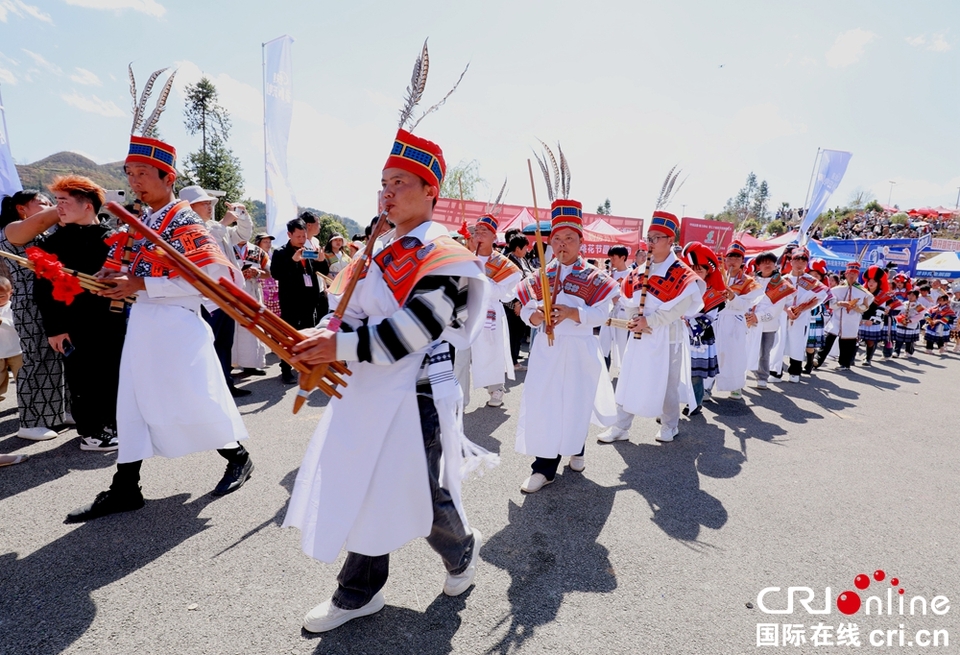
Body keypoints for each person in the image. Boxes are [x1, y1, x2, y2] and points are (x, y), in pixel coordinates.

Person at [282, 121, 489, 632]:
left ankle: (460, 549)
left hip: (417, 389)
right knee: (364, 482)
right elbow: (347, 310)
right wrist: (321, 333)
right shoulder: (374, 247)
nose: (387, 192)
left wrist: (340, 345)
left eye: (400, 182)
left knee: (419, 489)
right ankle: (358, 592)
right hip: (367, 385)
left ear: (430, 191)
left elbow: (415, 331)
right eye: (384, 182)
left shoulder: (446, 255)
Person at [65, 129, 254, 523]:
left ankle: (238, 456)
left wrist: (141, 284)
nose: (134, 182)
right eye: (130, 173)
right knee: (132, 404)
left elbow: (212, 279)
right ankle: (125, 487)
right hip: (144, 325)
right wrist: (109, 277)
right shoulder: (140, 222)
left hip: (178, 328)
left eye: (143, 174)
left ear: (169, 178)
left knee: (192, 400)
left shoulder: (184, 221)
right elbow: (125, 265)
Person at [515, 198, 618, 490]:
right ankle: (543, 469)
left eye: (569, 238)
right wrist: (533, 317)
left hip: (579, 349)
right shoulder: (541, 276)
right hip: (547, 350)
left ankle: (577, 446)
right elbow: (524, 309)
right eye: (557, 239)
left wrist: (575, 313)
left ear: (581, 241)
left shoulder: (596, 277)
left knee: (575, 403)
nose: (562, 244)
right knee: (545, 404)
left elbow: (602, 314)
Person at [33, 175, 126, 452]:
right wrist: (55, 328)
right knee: (82, 376)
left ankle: (113, 424)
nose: (58, 207)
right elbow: (43, 291)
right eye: (57, 200)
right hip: (72, 323)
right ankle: (91, 432)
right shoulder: (52, 244)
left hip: (112, 319)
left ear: (88, 205)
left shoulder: (114, 238)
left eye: (64, 201)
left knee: (113, 373)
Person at [597, 212, 704, 444]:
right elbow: (627, 300)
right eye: (649, 237)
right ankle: (621, 426)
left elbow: (680, 307)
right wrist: (635, 317)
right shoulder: (639, 271)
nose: (651, 242)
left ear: (670, 240)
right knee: (629, 377)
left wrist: (651, 321)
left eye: (656, 238)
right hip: (640, 334)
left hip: (668, 337)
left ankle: (669, 425)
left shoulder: (683, 273)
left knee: (668, 384)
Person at [0, 190, 68, 440]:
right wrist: (68, 202)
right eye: (44, 202)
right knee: (37, 358)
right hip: (30, 303)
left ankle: (60, 412)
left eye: (53, 202)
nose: (51, 207)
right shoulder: (13, 229)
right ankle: (30, 422)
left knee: (60, 359)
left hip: (54, 299)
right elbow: (42, 220)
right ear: (21, 208)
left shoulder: (45, 233)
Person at [178, 186, 253, 398]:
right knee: (207, 344)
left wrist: (243, 215)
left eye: (210, 203)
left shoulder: (214, 226)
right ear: (190, 207)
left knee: (224, 342)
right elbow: (205, 238)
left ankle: (226, 385)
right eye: (205, 203)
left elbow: (243, 234)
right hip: (207, 298)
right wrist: (224, 223)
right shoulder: (191, 228)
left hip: (227, 296)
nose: (210, 206)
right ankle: (207, 391)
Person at [465, 213, 521, 407]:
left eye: (485, 231)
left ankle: (496, 388)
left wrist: (480, 279)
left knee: (491, 349)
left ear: (494, 237)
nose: (479, 234)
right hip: (467, 309)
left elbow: (502, 293)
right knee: (463, 353)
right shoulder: (465, 257)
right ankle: (461, 396)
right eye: (477, 231)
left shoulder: (503, 264)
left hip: (490, 311)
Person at [271, 218, 326, 384]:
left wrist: (321, 261)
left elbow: (320, 271)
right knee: (288, 336)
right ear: (289, 235)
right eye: (299, 236)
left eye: (304, 236)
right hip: (290, 302)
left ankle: (306, 366)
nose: (302, 239)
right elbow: (276, 274)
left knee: (308, 335)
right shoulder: (280, 252)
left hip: (309, 301)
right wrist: (292, 261)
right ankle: (286, 369)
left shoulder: (308, 251)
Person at [680, 243, 726, 416]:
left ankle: (696, 403)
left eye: (701, 270)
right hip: (679, 332)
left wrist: (691, 325)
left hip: (699, 335)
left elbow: (710, 317)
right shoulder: (683, 288)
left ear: (708, 272)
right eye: (694, 268)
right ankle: (673, 405)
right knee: (676, 371)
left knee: (695, 373)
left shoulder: (713, 293)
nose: (697, 272)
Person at [713, 241, 762, 399]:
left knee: (735, 355)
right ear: (725, 260)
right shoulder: (716, 277)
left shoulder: (750, 282)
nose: (733, 260)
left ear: (742, 261)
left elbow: (746, 304)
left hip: (735, 321)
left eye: (737, 257)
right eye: (730, 257)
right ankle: (707, 386)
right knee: (713, 353)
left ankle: (735, 386)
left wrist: (733, 296)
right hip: (716, 320)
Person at [749, 251, 795, 389]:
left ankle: (762, 377)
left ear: (775, 265)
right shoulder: (751, 281)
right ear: (758, 265)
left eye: (770, 261)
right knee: (747, 349)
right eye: (763, 262)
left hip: (768, 324)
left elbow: (777, 308)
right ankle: (742, 375)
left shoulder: (782, 284)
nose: (767, 264)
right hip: (749, 322)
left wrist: (758, 316)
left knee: (764, 351)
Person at [782, 249, 827, 382]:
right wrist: (787, 310)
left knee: (798, 343)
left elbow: (820, 298)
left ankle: (795, 371)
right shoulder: (783, 279)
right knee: (778, 343)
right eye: (797, 260)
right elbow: (775, 299)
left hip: (801, 316)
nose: (799, 263)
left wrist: (802, 308)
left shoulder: (811, 281)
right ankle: (775, 371)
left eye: (803, 260)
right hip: (783, 315)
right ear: (791, 261)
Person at [817, 261, 872, 370]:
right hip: (836, 319)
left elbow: (865, 307)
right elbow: (831, 305)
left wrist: (856, 307)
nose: (852, 276)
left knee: (848, 342)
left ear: (858, 275)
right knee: (828, 339)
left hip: (852, 320)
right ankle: (818, 360)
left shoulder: (864, 292)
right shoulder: (836, 290)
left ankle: (844, 363)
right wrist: (841, 303)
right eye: (850, 273)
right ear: (845, 274)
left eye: (854, 274)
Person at [232, 237, 271, 376]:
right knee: (232, 329)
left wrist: (257, 273)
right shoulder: (226, 246)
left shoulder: (258, 251)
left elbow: (269, 272)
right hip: (231, 294)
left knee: (252, 327)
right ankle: (229, 364)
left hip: (252, 292)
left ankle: (251, 364)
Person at [598, 245, 637, 370]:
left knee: (622, 345)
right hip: (608, 312)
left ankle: (624, 372)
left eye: (614, 257)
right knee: (603, 342)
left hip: (623, 312)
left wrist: (619, 298)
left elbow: (632, 295)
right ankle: (604, 369)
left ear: (623, 257)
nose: (611, 260)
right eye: (610, 257)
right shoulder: (608, 273)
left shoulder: (631, 274)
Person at [503, 234, 532, 370]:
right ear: (518, 248)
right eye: (525, 247)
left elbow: (530, 275)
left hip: (523, 302)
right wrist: (516, 303)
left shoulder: (523, 259)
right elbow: (507, 286)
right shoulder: (508, 262)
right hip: (513, 304)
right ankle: (511, 362)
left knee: (518, 333)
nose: (527, 250)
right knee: (512, 334)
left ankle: (513, 359)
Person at [858, 266, 893, 366]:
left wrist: (872, 320)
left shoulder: (882, 294)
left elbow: (881, 310)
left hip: (873, 321)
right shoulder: (862, 292)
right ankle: (851, 358)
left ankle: (868, 358)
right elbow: (858, 306)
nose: (871, 283)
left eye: (874, 281)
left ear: (878, 283)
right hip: (861, 319)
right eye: (869, 281)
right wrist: (859, 318)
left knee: (870, 341)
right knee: (856, 339)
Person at [803, 259, 832, 374]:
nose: (814, 277)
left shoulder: (824, 289)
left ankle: (809, 364)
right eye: (811, 275)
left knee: (810, 343)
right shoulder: (801, 285)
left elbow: (831, 302)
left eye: (817, 275)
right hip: (800, 314)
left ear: (821, 277)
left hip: (815, 315)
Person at [0, 276, 23, 401]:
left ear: (11, 293)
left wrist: (2, 322)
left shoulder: (14, 307)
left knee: (21, 376)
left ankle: (25, 397)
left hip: (16, 350)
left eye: (1, 296)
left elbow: (17, 326)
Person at [893, 290, 924, 358]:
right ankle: (896, 351)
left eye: (913, 295)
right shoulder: (904, 303)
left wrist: (910, 320)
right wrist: (900, 318)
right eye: (909, 295)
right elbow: (898, 312)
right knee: (899, 339)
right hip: (901, 323)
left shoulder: (918, 305)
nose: (910, 297)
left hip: (911, 324)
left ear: (916, 297)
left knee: (909, 340)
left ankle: (908, 351)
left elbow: (920, 315)